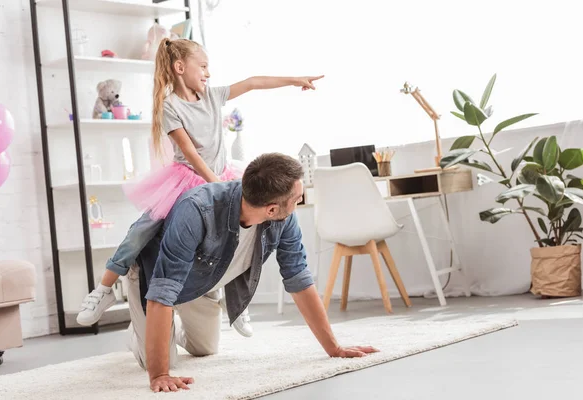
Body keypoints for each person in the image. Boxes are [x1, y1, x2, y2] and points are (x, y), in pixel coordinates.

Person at [75, 37, 324, 337]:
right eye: (203, 66)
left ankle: (237, 303)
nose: (208, 73)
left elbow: (253, 82)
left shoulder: (212, 96)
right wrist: (216, 185)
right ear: (180, 67)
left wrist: (294, 80)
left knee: (238, 235)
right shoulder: (169, 106)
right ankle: (104, 288)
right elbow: (191, 153)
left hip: (221, 174)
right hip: (188, 179)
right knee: (143, 229)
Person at [124, 152, 379, 393]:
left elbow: (299, 279)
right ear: (271, 209)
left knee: (205, 348)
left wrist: (334, 348)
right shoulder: (197, 209)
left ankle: (166, 327)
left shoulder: (284, 219)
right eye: (297, 198)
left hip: (203, 283)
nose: (300, 202)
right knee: (158, 363)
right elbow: (162, 290)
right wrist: (159, 375)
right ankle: (141, 332)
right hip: (152, 280)